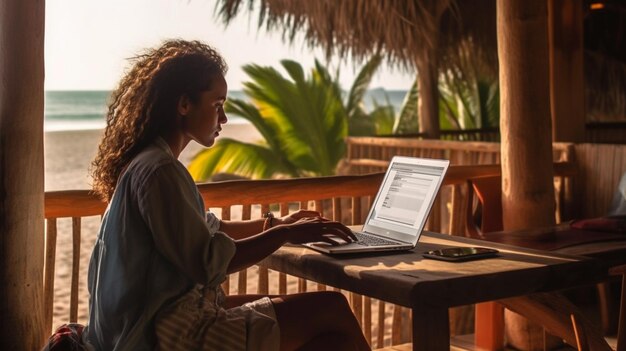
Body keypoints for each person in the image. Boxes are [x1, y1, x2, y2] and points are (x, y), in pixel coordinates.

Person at [85, 39, 370, 351]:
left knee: (320, 324)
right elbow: (207, 263)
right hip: (157, 336)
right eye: (217, 106)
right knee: (332, 310)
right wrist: (286, 233)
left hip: (154, 321)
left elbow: (211, 230)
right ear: (184, 105)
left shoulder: (150, 163)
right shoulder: (159, 171)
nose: (223, 119)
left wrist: (276, 223)